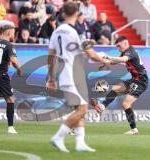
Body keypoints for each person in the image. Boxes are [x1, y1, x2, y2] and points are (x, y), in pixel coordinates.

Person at [46, 2, 109, 152]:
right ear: (77, 13)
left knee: (79, 109)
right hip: (73, 74)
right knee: (82, 110)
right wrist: (104, 60)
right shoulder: (74, 31)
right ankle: (58, 136)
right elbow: (91, 54)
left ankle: (80, 143)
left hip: (63, 74)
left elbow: (51, 55)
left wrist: (52, 78)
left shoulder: (57, 31)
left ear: (63, 14)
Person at [90, 36, 149, 135]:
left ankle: (134, 130)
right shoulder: (125, 52)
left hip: (141, 81)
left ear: (125, 43)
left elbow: (123, 59)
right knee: (115, 90)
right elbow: (116, 61)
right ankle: (102, 106)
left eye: (119, 45)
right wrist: (106, 63)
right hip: (135, 80)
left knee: (125, 104)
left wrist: (109, 57)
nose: (118, 48)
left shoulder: (131, 51)